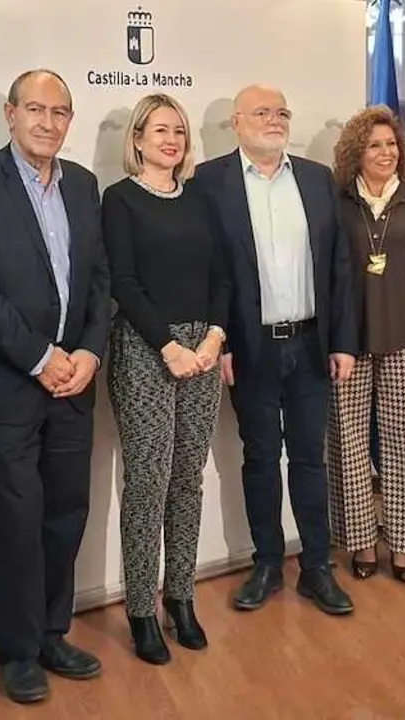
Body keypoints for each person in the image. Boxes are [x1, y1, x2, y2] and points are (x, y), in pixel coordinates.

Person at [0, 68, 111, 704]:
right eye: (35, 109)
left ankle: (51, 633)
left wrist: (90, 352)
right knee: (12, 523)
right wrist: (41, 358)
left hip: (76, 385)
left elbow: (99, 279)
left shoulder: (85, 185)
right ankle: (15, 650)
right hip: (10, 387)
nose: (48, 122)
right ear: (10, 115)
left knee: (66, 517)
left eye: (60, 112)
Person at [191, 84, 358, 615]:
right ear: (236, 123)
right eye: (262, 112)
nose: (275, 120)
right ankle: (267, 563)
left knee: (310, 458)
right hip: (249, 346)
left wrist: (343, 343)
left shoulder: (316, 179)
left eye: (282, 112)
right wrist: (221, 341)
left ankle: (316, 567)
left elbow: (341, 268)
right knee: (260, 458)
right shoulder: (209, 182)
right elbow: (208, 271)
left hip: (311, 344)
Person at [101, 93, 228, 664]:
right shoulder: (120, 200)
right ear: (137, 141)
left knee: (188, 479)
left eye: (178, 130)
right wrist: (169, 346)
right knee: (148, 481)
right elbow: (123, 283)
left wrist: (214, 338)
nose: (171, 139)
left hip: (203, 347)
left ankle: (180, 597)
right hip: (146, 346)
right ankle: (140, 610)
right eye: (159, 131)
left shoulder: (201, 200)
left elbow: (224, 276)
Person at [327, 105, 405, 584]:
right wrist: (337, 341)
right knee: (349, 446)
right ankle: (359, 541)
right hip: (348, 346)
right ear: (356, 152)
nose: (386, 152)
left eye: (392, 144)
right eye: (375, 145)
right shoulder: (335, 204)